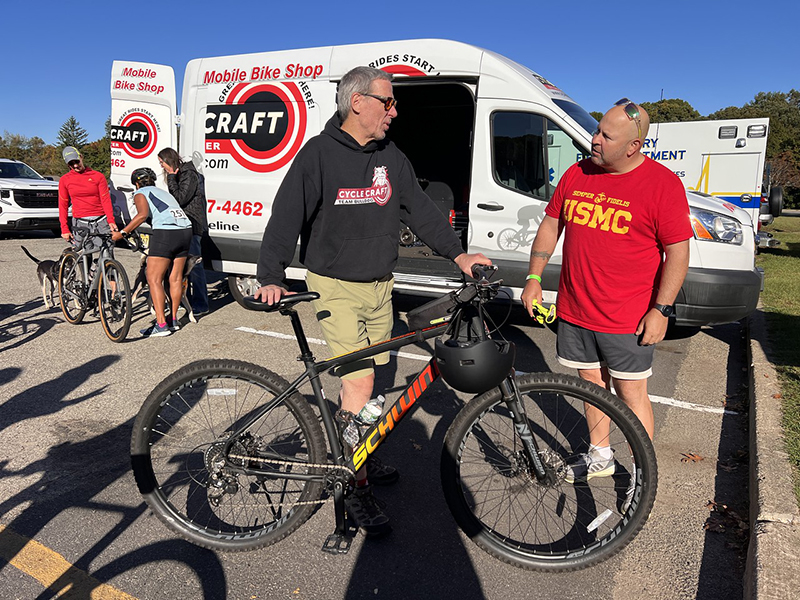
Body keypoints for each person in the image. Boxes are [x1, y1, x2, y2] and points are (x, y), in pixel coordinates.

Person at [254, 66, 490, 535]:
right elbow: (286, 216)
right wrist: (270, 275)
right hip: (334, 286)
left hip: (381, 284)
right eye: (389, 102)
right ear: (357, 102)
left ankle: (359, 452)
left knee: (373, 382)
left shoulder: (391, 156)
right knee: (359, 385)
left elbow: (420, 210)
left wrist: (459, 255)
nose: (395, 112)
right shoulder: (318, 155)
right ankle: (353, 485)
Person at [520, 98, 692, 486]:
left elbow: (677, 253)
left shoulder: (662, 184)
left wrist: (661, 309)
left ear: (633, 146)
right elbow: (551, 225)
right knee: (591, 386)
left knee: (632, 396)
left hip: (626, 317)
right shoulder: (578, 173)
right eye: (597, 130)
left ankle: (643, 476)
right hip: (577, 310)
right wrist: (534, 277)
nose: (594, 139)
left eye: (604, 135)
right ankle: (600, 456)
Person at [112, 168, 192, 338]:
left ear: (136, 183)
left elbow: (142, 215)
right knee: (176, 278)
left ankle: (161, 325)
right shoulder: (164, 193)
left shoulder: (140, 193)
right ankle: (173, 320)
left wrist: (122, 233)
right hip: (185, 231)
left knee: (153, 278)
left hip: (166, 233)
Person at [157, 148, 210, 316]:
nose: (162, 167)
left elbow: (180, 198)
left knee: (194, 266)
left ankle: (201, 304)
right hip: (182, 224)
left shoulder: (188, 174)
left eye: (162, 163)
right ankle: (182, 300)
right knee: (179, 265)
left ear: (169, 160)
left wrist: (172, 176)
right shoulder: (183, 174)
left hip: (192, 223)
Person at [58, 146, 118, 253]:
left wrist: (111, 220)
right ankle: (87, 269)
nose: (75, 165)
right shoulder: (64, 180)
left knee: (107, 251)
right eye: (71, 164)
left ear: (81, 157)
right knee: (83, 253)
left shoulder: (98, 176)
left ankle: (104, 268)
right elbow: (63, 205)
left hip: (101, 220)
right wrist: (64, 228)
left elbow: (106, 200)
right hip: (80, 222)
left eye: (77, 161)